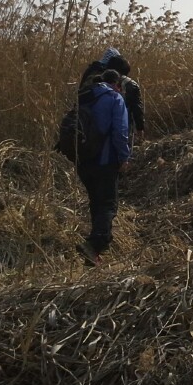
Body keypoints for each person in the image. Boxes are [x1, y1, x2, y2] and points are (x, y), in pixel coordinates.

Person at [75, 69, 131, 265]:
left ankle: (93, 254)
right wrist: (124, 157)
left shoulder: (85, 95)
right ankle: (95, 244)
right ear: (117, 83)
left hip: (83, 160)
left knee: (96, 202)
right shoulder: (115, 99)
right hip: (105, 160)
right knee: (107, 204)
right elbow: (121, 132)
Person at [105, 54, 146, 145]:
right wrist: (140, 128)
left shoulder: (100, 82)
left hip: (101, 128)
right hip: (123, 127)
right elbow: (137, 109)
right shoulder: (131, 84)